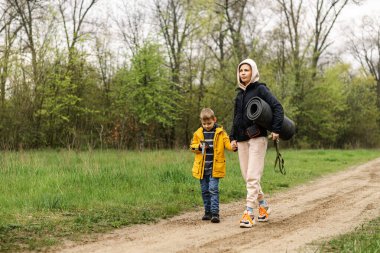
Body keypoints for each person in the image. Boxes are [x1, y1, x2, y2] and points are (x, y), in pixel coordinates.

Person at [230, 58, 284, 228]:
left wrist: (276, 129)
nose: (243, 73)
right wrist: (232, 138)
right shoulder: (239, 95)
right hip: (242, 139)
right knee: (247, 177)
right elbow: (236, 118)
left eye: (246, 70)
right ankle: (263, 205)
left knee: (253, 176)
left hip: (258, 137)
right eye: (241, 71)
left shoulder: (261, 89)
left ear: (253, 72)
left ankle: (249, 213)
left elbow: (277, 107)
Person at [190, 108, 236, 223]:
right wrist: (199, 147)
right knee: (204, 191)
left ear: (214, 120)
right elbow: (192, 146)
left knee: (213, 189)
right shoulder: (198, 133)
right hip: (202, 168)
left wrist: (233, 146)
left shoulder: (220, 133)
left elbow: (227, 144)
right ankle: (208, 212)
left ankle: (215, 213)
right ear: (201, 122)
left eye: (209, 123)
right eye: (204, 123)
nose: (207, 126)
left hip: (215, 168)